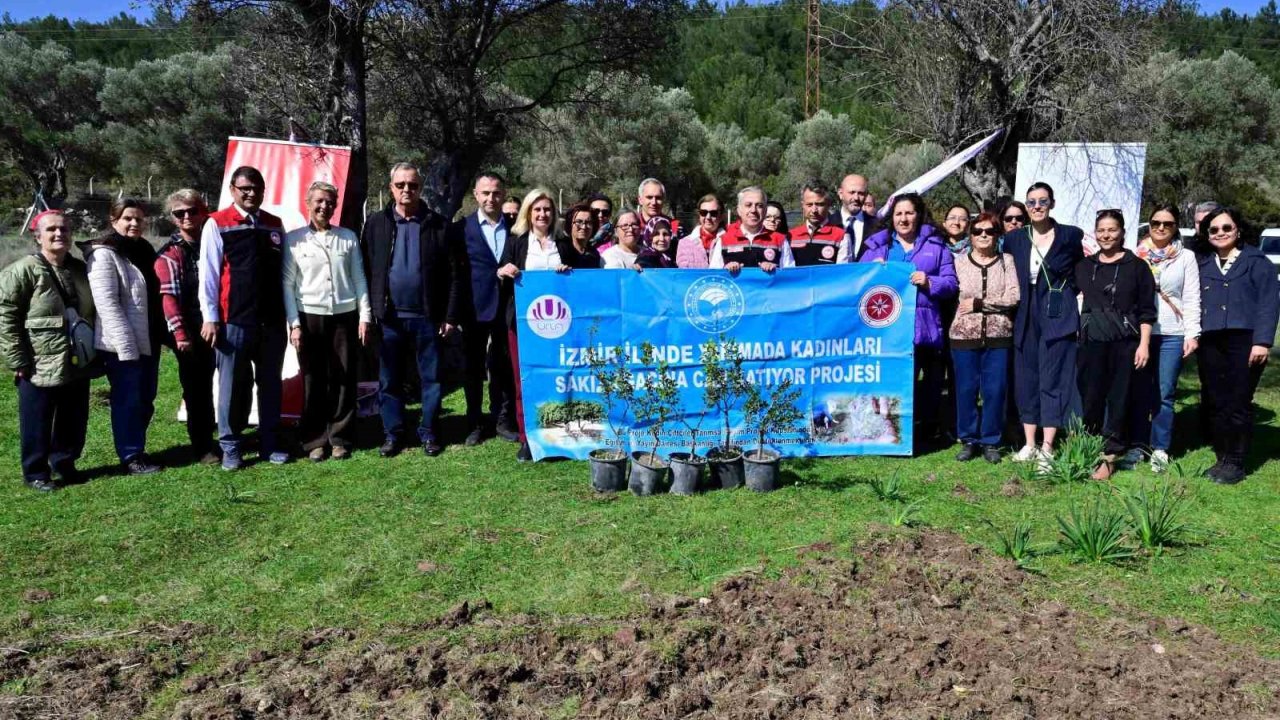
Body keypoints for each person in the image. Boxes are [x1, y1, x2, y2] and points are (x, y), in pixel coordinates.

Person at [362, 162, 465, 458]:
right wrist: (370, 312)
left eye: (413, 185)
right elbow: (368, 270)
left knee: (431, 379)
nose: (407, 190)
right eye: (400, 185)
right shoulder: (376, 223)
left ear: (420, 187)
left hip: (427, 318)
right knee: (389, 380)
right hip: (389, 317)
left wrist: (449, 316)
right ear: (391, 188)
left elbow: (454, 275)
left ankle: (429, 431)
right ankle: (393, 434)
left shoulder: (438, 224)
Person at [200, 166, 289, 470]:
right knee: (233, 386)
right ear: (233, 190)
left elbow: (284, 274)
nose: (251, 193)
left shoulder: (275, 225)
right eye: (245, 188)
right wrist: (210, 317)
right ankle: (231, 446)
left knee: (270, 385)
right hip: (234, 320)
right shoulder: (217, 223)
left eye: (257, 188)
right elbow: (209, 275)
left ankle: (269, 443)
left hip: (272, 321)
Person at [0, 211, 95, 491]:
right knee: (37, 419)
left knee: (74, 416)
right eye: (51, 229)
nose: (58, 234)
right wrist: (18, 359)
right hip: (38, 361)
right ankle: (36, 472)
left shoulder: (79, 269)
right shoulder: (21, 270)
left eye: (64, 229)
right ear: (37, 236)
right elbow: (6, 317)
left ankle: (65, 462)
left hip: (77, 357)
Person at [283, 181, 372, 462]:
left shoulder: (347, 237)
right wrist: (294, 324)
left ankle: (340, 437)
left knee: (344, 377)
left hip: (345, 317)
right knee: (314, 378)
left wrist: (365, 316)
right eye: (319, 201)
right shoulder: (294, 239)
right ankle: (314, 440)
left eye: (330, 202)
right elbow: (287, 285)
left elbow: (359, 278)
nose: (324, 207)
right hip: (310, 317)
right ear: (308, 204)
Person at [859, 193, 957, 444]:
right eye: (898, 213)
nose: (904, 219)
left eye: (909, 213)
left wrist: (929, 281)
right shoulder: (877, 248)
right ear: (891, 217)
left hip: (925, 327)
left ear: (919, 215)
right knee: (896, 383)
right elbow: (856, 282)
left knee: (930, 384)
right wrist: (871, 271)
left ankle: (927, 428)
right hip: (888, 331)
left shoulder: (937, 247)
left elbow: (951, 284)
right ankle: (894, 430)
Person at [1194, 206, 1278, 484]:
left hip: (1245, 341)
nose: (1220, 233)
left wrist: (1262, 342)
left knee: (1238, 401)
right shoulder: (1202, 263)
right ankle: (1222, 458)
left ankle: (1237, 461)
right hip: (1211, 340)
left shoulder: (1257, 261)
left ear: (1238, 230)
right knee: (1216, 401)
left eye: (1226, 228)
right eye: (1214, 229)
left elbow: (1269, 303)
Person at [1004, 182, 1084, 469]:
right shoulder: (1015, 238)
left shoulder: (1070, 236)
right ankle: (1029, 443)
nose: (1037, 207)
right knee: (1026, 378)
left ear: (1052, 203)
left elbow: (1080, 271)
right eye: (1031, 202)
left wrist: (1063, 293)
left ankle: (1048, 446)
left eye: (1042, 201)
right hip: (1025, 313)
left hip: (1056, 314)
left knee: (1054, 378)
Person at [82, 198, 162, 476]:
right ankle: (130, 455)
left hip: (147, 338)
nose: (134, 223)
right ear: (113, 220)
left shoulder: (144, 249)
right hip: (122, 344)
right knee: (128, 399)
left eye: (139, 218)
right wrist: (126, 347)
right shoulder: (104, 254)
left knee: (145, 397)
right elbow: (107, 304)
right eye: (127, 218)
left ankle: (136, 447)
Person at [1074, 210, 1155, 480]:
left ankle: (1109, 456)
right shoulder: (1084, 266)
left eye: (1112, 230)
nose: (1106, 235)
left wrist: (1143, 345)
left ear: (1122, 232)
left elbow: (1146, 310)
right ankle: (1089, 449)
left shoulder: (1137, 267)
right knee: (1091, 396)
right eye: (1101, 230)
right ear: (1095, 233)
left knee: (1118, 399)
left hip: (1125, 343)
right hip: (1092, 342)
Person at [497, 188, 575, 461]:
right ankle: (527, 437)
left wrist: (567, 273)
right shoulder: (517, 240)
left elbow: (576, 281)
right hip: (523, 324)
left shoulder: (563, 243)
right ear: (528, 213)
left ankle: (559, 434)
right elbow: (501, 268)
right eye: (537, 209)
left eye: (547, 210)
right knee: (525, 380)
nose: (543, 214)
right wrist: (504, 271)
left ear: (554, 214)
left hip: (559, 324)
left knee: (559, 377)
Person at [1128, 204, 1200, 472]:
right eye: (1156, 222)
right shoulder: (1136, 254)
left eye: (1167, 224)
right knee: (1137, 391)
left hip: (1171, 332)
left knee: (1164, 392)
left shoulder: (1186, 257)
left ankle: (1159, 448)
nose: (1160, 228)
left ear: (1175, 227)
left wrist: (1192, 333)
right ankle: (1136, 445)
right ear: (1148, 224)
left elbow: (1192, 296)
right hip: (1138, 333)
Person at [948, 212, 1018, 463]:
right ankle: (968, 439)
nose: (983, 236)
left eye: (989, 231)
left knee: (995, 390)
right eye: (978, 231)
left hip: (999, 336)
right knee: (966, 389)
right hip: (963, 336)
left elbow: (1013, 297)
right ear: (971, 235)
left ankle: (991, 440)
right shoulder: (958, 262)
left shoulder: (1006, 261)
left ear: (997, 234)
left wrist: (979, 303)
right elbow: (952, 293)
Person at [155, 189, 218, 465]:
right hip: (191, 331)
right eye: (180, 213)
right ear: (173, 218)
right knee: (197, 388)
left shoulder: (214, 241)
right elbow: (168, 299)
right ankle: (203, 445)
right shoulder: (170, 254)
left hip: (219, 324)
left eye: (192, 210)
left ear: (204, 210)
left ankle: (224, 434)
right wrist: (180, 334)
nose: (187, 217)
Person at [457, 172, 519, 447]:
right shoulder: (462, 228)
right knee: (472, 369)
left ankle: (503, 420)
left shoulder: (517, 229)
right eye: (485, 193)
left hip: (507, 308)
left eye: (496, 193)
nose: (491, 198)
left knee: (504, 366)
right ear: (476, 196)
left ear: (503, 195)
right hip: (474, 307)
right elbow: (455, 272)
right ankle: (474, 422)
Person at [709, 187, 793, 271]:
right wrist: (725, 270)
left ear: (765, 211)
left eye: (759, 206)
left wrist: (776, 270)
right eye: (748, 205)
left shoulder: (780, 240)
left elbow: (790, 277)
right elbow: (713, 277)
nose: (753, 210)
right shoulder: (724, 241)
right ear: (739, 210)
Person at [788, 180, 849, 266]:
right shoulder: (790, 236)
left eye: (819, 204)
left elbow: (842, 273)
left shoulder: (841, 236)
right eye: (809, 205)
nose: (814, 210)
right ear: (802, 205)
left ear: (828, 205)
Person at [829, 174, 879, 260]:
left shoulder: (878, 227)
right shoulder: (827, 224)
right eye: (852, 192)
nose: (856, 198)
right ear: (840, 194)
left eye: (861, 193)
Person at [675, 194, 722, 269]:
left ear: (721, 216)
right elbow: (683, 273)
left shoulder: (728, 241)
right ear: (699, 215)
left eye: (713, 213)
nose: (708, 217)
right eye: (704, 213)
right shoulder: (684, 243)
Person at [562, 203, 603, 268]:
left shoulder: (594, 254)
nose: (584, 227)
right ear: (570, 224)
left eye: (588, 223)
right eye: (578, 222)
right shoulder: (560, 249)